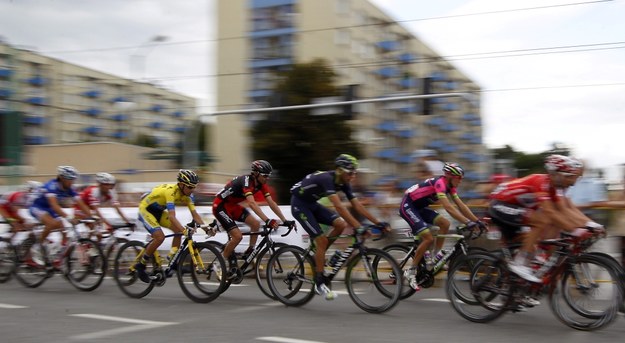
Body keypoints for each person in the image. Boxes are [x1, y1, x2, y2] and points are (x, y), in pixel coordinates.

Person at [290, 154, 389, 300]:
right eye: (350, 172)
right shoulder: (327, 179)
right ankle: (319, 282)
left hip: (312, 204)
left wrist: (377, 222)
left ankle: (319, 254)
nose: (353, 176)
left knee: (340, 225)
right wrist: (358, 226)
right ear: (339, 170)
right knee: (322, 240)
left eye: (354, 173)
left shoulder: (344, 182)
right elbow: (339, 207)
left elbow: (357, 205)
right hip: (299, 205)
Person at [488, 154, 600, 283]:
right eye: (569, 177)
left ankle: (520, 285)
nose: (572, 181)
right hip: (499, 204)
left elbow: (567, 210)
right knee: (541, 221)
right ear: (558, 174)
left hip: (514, 208)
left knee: (536, 240)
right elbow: (550, 211)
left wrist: (591, 224)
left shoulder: (556, 188)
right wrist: (575, 231)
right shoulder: (541, 182)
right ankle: (520, 263)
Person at [399, 162, 484, 291]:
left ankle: (434, 256)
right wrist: (467, 222)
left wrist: (477, 221)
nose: (461, 181)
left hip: (419, 208)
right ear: (450, 176)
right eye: (459, 178)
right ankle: (410, 271)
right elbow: (448, 208)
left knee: (445, 223)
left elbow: (461, 206)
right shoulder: (440, 183)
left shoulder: (450, 187)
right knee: (428, 238)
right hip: (408, 206)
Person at [212, 160, 288, 276]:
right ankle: (218, 263)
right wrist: (267, 220)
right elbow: (252, 204)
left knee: (255, 224)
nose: (267, 178)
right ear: (256, 173)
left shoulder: (261, 184)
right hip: (220, 206)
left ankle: (250, 251)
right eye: (265, 176)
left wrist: (284, 220)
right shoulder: (247, 182)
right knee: (237, 237)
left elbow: (271, 202)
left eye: (268, 176)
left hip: (233, 206)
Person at [134, 169, 206, 283]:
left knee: (178, 231)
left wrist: (205, 227)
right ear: (181, 185)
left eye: (194, 187)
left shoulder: (188, 195)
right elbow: (172, 217)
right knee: (160, 237)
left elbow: (195, 214)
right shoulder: (170, 192)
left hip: (158, 211)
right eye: (190, 187)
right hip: (146, 210)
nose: (192, 190)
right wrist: (184, 230)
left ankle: (172, 259)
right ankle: (141, 264)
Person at [29, 166, 93, 266]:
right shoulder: (51, 186)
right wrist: (68, 217)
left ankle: (58, 255)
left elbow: (81, 203)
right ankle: (38, 246)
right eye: (70, 180)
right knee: (51, 224)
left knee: (64, 230)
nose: (72, 182)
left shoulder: (69, 188)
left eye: (73, 180)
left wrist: (91, 216)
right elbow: (54, 205)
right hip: (37, 206)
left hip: (49, 208)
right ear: (62, 178)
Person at [74, 172, 133, 241]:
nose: (109, 187)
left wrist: (128, 222)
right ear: (100, 184)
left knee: (100, 230)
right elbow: (97, 211)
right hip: (80, 208)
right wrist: (107, 224)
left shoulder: (111, 192)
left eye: (111, 185)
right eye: (107, 185)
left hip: (90, 209)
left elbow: (117, 209)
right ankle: (86, 245)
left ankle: (94, 245)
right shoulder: (93, 192)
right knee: (97, 230)